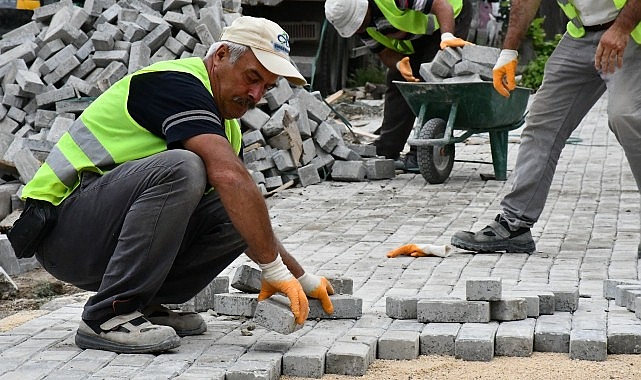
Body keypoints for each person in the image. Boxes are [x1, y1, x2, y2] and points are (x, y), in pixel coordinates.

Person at [8, 16, 335, 354]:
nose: (255, 94)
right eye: (252, 78)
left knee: (237, 206)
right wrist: (273, 267)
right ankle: (107, 315)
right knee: (186, 167)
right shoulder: (175, 84)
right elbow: (228, 175)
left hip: (101, 234)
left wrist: (299, 278)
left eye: (266, 87)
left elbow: (237, 199)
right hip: (64, 234)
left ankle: (142, 306)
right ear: (221, 55)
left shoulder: (224, 125)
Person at [451, 0, 641, 253]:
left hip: (633, 32)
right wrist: (508, 52)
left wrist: (621, 28)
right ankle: (514, 225)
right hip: (582, 35)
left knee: (626, 116)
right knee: (542, 122)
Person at [324, 0, 472, 172]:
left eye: (358, 23)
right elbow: (384, 53)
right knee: (397, 82)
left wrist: (447, 38)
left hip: (450, 15)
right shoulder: (360, 26)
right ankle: (387, 150)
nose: (357, 30)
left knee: (432, 81)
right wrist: (399, 64)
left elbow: (442, 6)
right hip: (418, 35)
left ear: (364, 9)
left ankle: (424, 152)